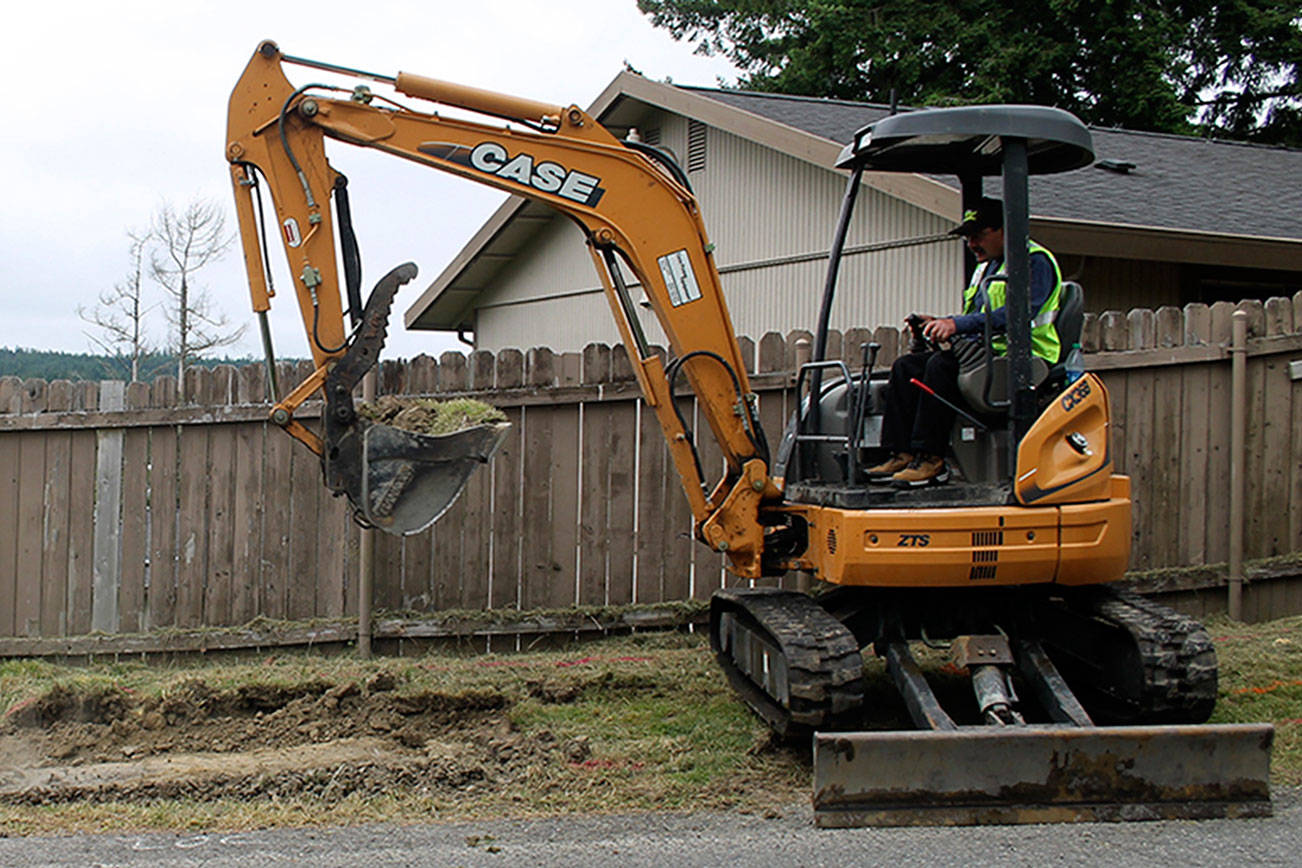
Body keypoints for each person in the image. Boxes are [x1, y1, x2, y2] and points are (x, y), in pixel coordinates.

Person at [867, 197, 1064, 488]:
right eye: (968, 237)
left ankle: (931, 459)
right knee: (906, 366)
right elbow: (978, 318)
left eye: (978, 235)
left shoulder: (1033, 261)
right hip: (985, 356)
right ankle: (902, 453)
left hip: (1024, 361)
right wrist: (938, 322)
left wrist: (956, 324)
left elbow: (1016, 315)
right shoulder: (986, 269)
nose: (971, 244)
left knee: (940, 367)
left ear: (1004, 230)